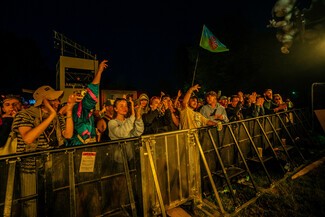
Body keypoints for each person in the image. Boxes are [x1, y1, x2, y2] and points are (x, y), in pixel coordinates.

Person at [11, 85, 77, 216]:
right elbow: (28, 138)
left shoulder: (57, 117)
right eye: (54, 100)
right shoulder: (24, 115)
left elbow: (68, 134)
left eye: (58, 100)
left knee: (52, 201)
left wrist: (69, 111)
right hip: (30, 168)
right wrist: (51, 115)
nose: (58, 103)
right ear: (43, 101)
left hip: (52, 166)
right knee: (30, 203)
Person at [66, 59, 108, 146]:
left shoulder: (87, 111)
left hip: (87, 149)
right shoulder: (79, 108)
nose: (80, 96)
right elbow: (92, 93)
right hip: (78, 148)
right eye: (77, 94)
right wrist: (99, 71)